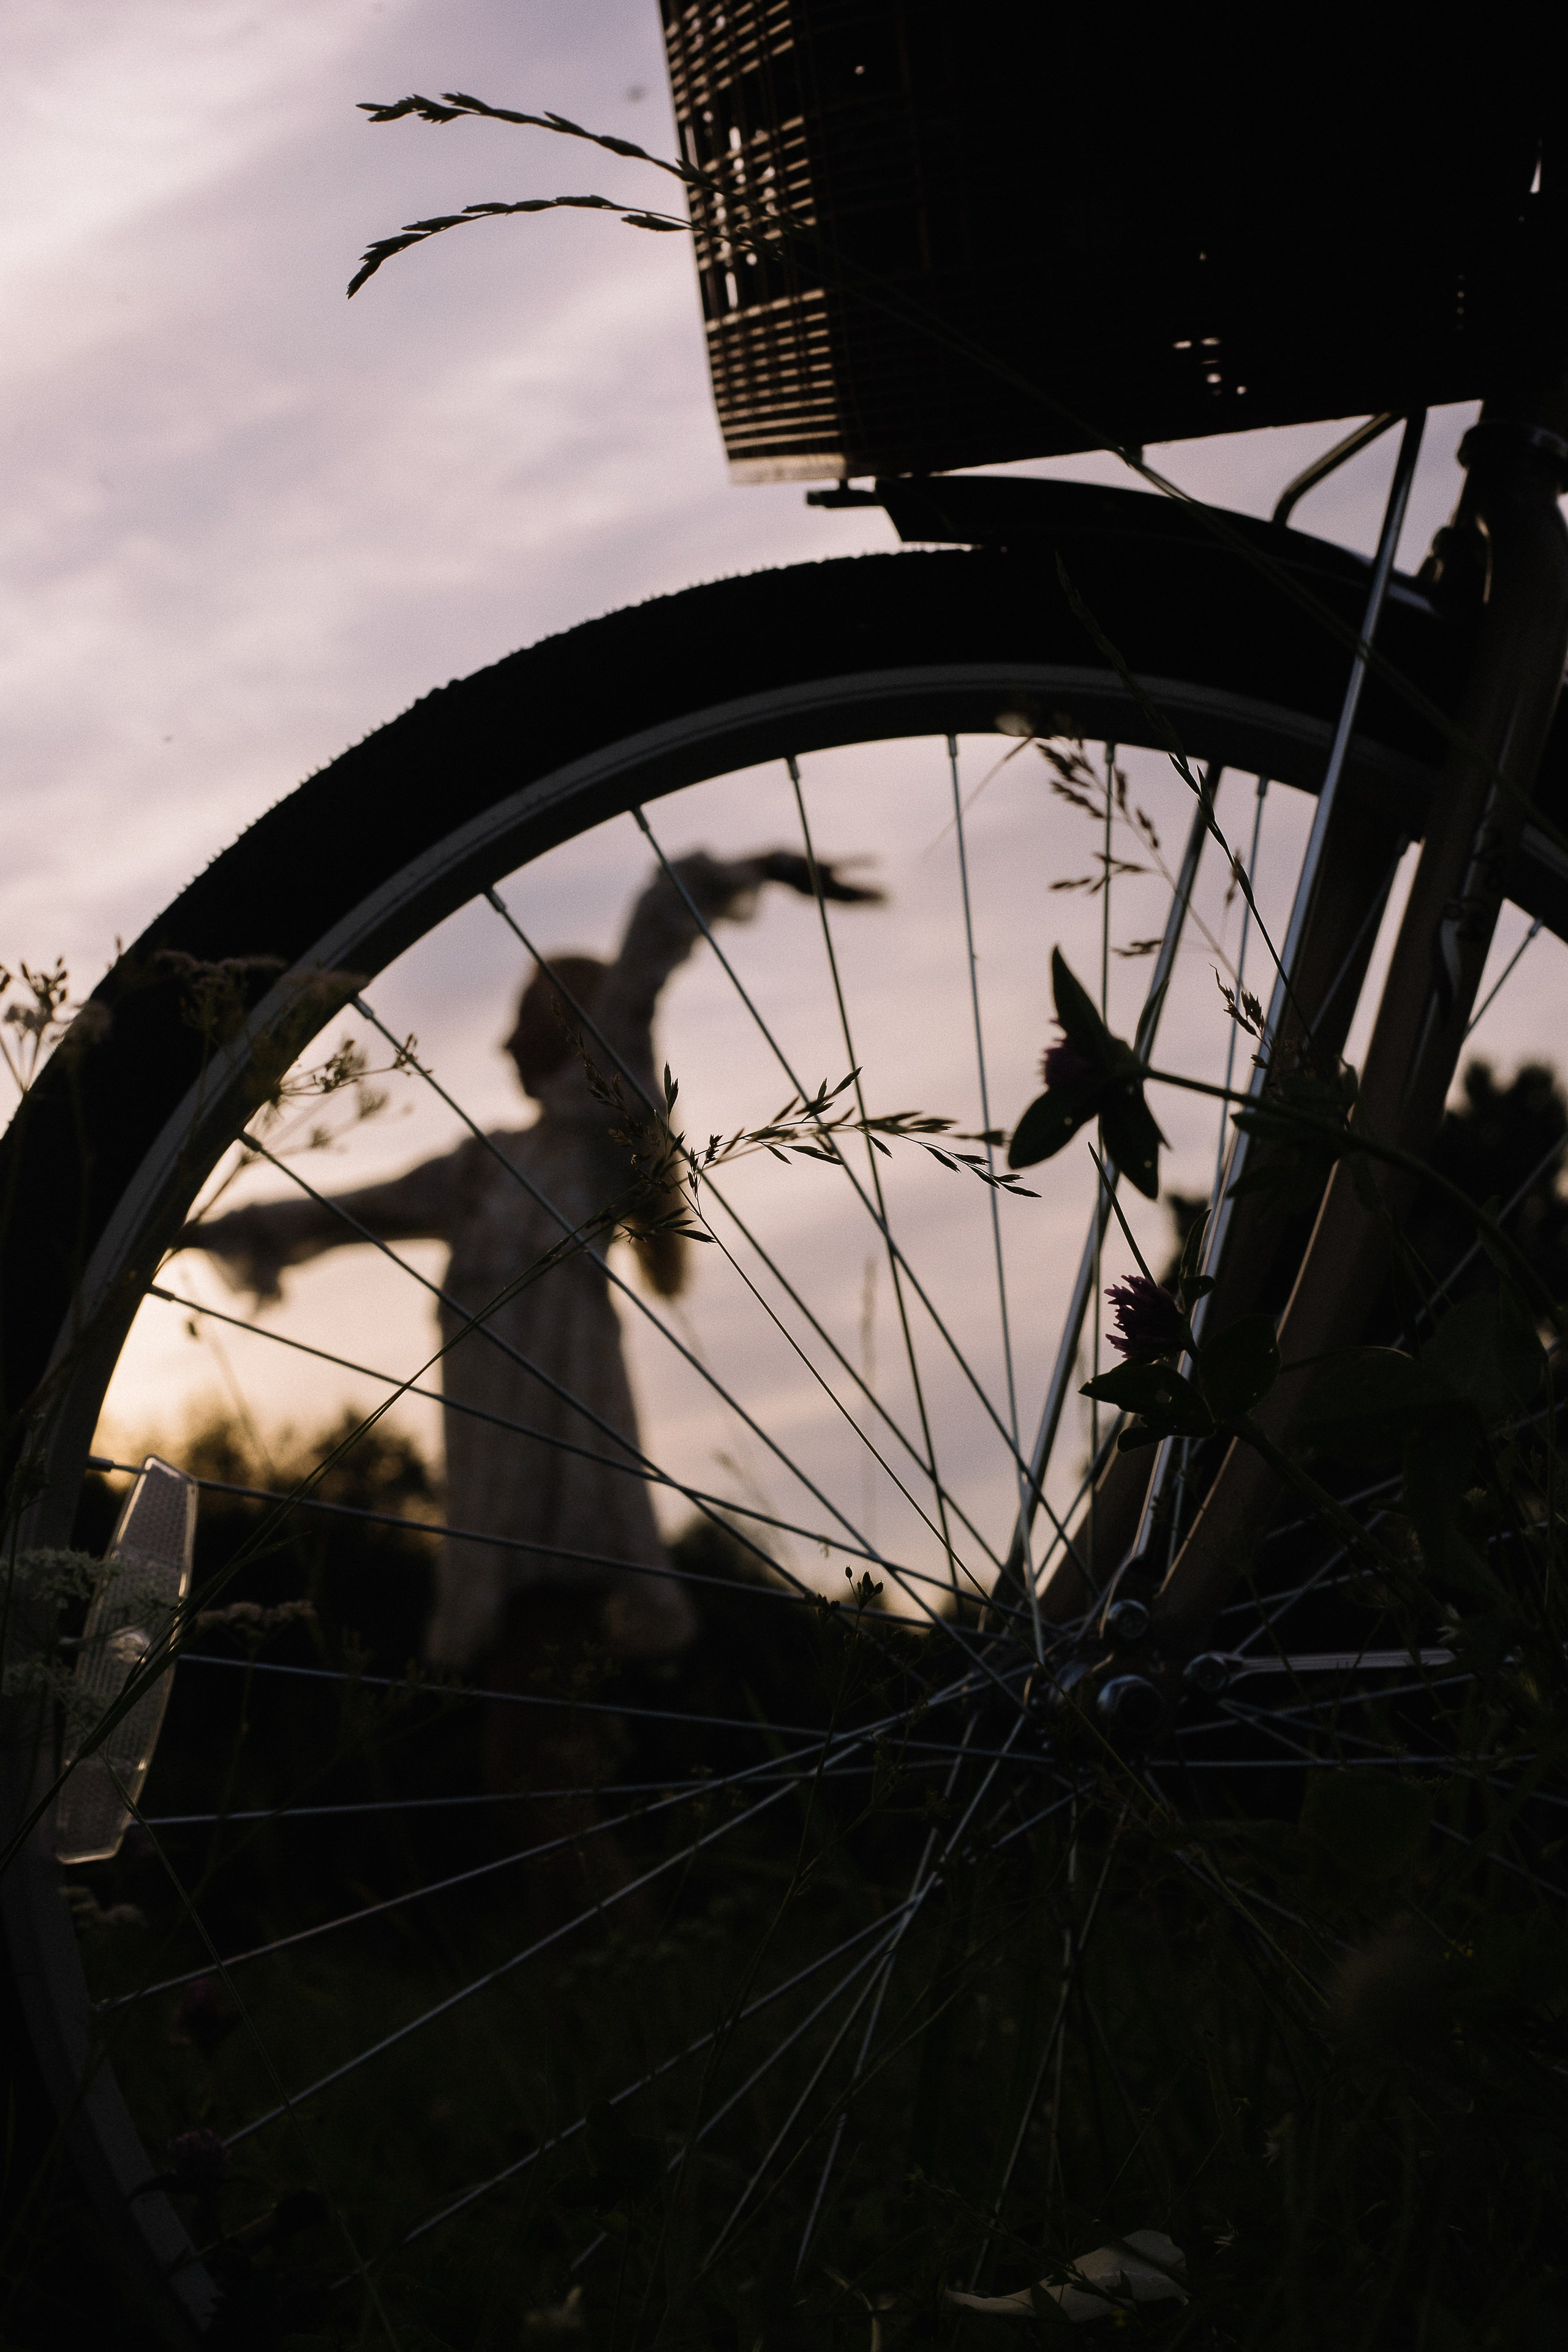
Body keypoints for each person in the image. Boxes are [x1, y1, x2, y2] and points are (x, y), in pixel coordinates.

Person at [177, 848, 879, 1753]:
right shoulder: (477, 1170)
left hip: (564, 1462)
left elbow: (633, 992)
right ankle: (602, 1881)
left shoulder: (595, 1137)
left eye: (522, 1021)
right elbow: (345, 1212)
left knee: (535, 1748)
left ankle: (606, 1880)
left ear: (568, 1031)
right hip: (492, 1472)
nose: (505, 1044)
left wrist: (739, 874)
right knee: (532, 1744)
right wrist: (191, 1231)